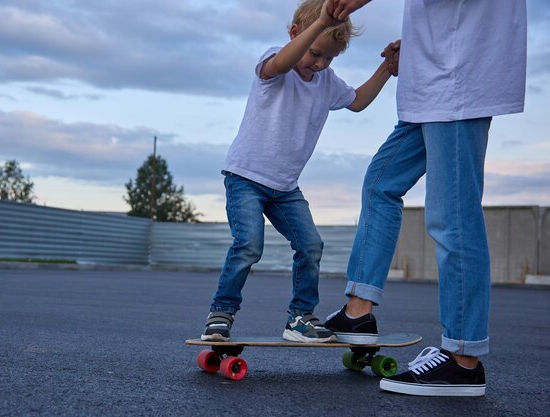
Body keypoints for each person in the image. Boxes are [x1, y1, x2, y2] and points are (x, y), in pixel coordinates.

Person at [323, 0, 527, 396]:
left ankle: (462, 358)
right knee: (380, 184)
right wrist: (418, 42)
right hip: (431, 76)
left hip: (457, 78)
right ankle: (358, 313)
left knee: (453, 217)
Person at [201, 0, 398, 343]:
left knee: (311, 245)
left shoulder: (326, 80)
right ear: (296, 35)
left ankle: (300, 318)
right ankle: (221, 314)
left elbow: (357, 102)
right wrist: (320, 22)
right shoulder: (275, 64)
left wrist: (386, 68)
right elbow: (284, 62)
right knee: (248, 245)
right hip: (245, 178)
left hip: (285, 189)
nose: (320, 64)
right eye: (316, 53)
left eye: (330, 58)